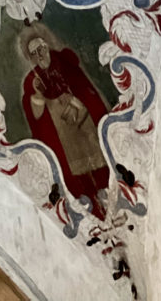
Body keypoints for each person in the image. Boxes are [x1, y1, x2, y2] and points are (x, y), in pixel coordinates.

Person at [19, 22, 111, 219]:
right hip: (64, 136)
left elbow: (86, 90)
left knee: (98, 166)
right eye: (34, 53)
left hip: (85, 127)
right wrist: (38, 97)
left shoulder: (66, 64)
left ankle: (107, 197)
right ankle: (90, 209)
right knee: (78, 175)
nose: (40, 55)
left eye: (42, 49)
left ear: (48, 46)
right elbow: (35, 113)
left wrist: (75, 101)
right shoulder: (33, 80)